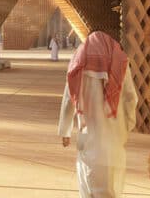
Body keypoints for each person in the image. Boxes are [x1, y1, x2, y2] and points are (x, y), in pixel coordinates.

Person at [58, 31, 137, 198]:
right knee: (109, 188)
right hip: (113, 137)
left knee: (87, 185)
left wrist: (65, 131)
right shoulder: (120, 62)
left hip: (88, 138)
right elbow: (131, 98)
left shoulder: (78, 62)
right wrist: (128, 125)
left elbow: (69, 98)